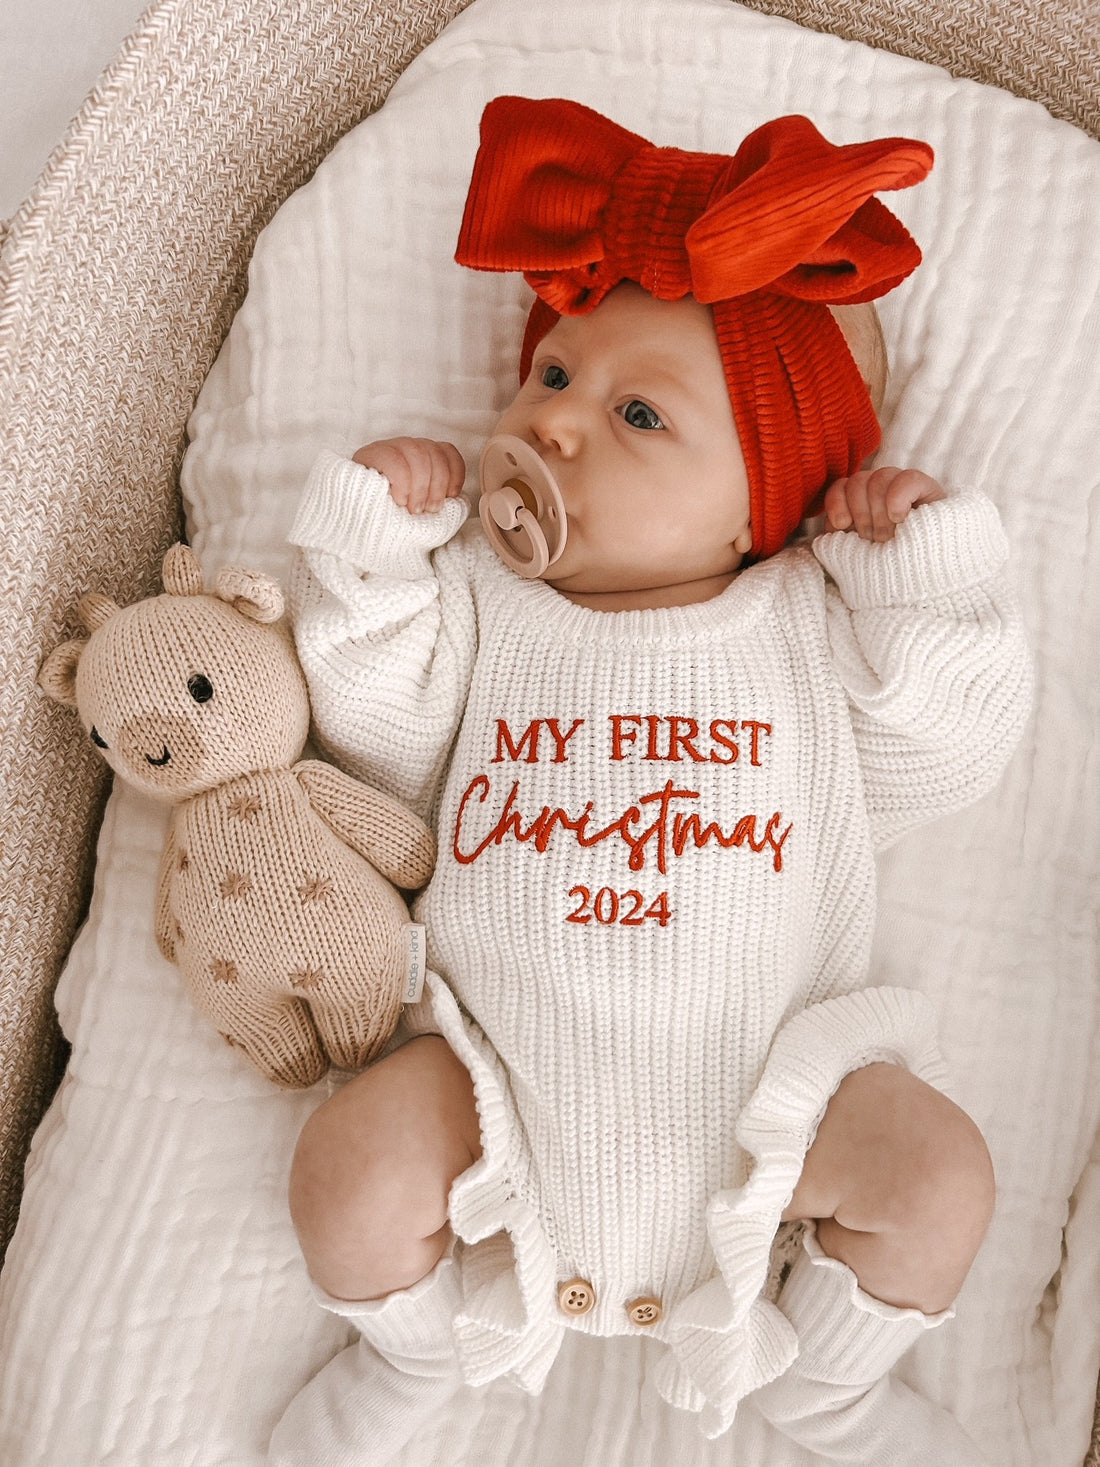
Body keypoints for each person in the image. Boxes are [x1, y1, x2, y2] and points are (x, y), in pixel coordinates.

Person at [268, 97, 1031, 1465]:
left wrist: (924, 576)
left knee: (937, 1177)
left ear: (765, 502)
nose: (557, 427)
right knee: (347, 1170)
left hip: (775, 1099)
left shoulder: (802, 624)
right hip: (495, 1083)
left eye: (636, 414)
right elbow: (379, 732)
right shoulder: (489, 607)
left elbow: (952, 748)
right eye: (553, 377)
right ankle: (418, 1359)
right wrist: (375, 555)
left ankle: (833, 1392)